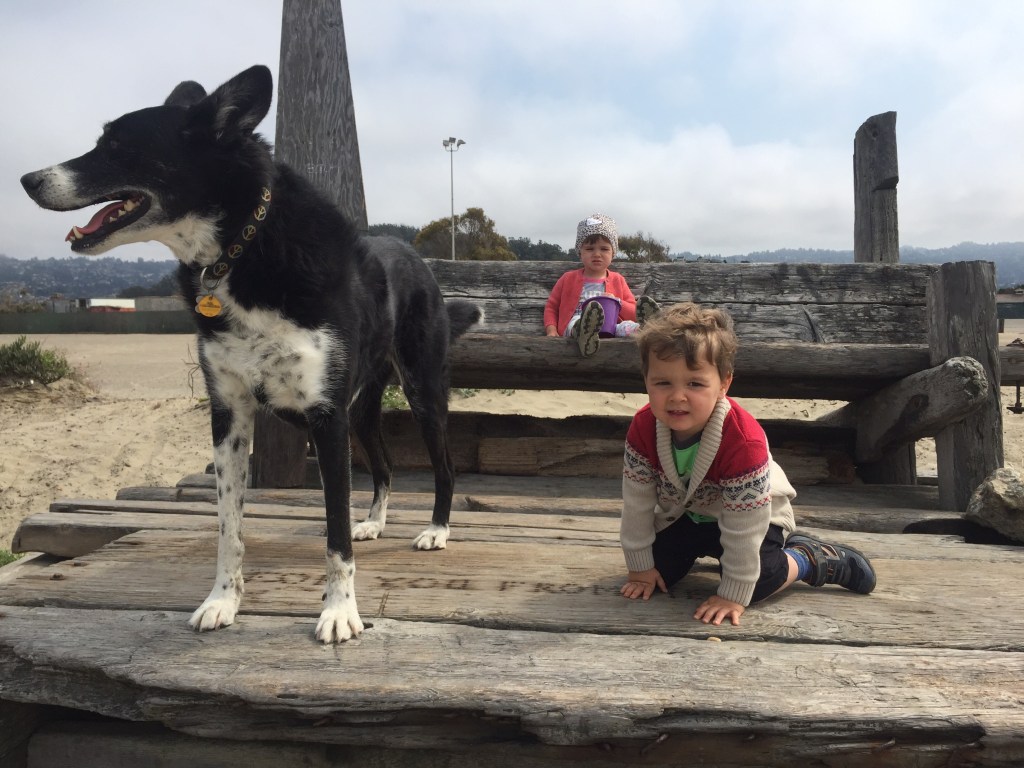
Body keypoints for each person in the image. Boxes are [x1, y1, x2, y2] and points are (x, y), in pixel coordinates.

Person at [619, 302, 876, 626]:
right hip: (686, 515)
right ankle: (707, 556)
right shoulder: (643, 427)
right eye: (663, 383)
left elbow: (745, 526)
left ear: (723, 384)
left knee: (755, 583)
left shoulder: (742, 441)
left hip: (754, 516)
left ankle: (808, 559)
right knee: (656, 572)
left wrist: (733, 593)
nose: (677, 396)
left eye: (695, 383)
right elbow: (637, 503)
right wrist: (640, 566)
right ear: (646, 380)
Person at [544, 213, 659, 357]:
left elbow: (632, 311)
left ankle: (648, 328)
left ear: (613, 253)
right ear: (580, 252)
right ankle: (586, 335)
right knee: (577, 323)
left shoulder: (618, 280)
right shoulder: (568, 279)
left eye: (604, 249)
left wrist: (617, 302)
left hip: (610, 327)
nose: (597, 254)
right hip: (577, 324)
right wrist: (551, 330)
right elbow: (552, 307)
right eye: (590, 249)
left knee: (626, 326)